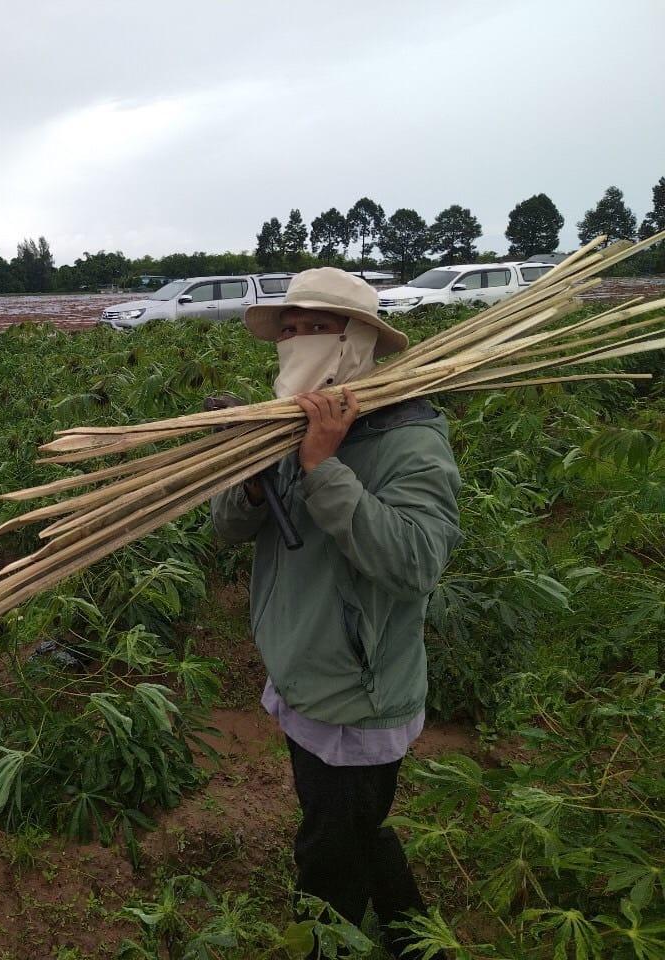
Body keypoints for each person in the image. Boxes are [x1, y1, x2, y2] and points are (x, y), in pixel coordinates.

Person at [210, 268, 461, 958]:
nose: (292, 343)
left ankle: (329, 945)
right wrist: (254, 484)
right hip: (301, 669)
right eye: (285, 331)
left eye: (309, 329)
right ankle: (411, 932)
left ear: (355, 340)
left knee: (328, 855)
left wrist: (323, 468)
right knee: (351, 822)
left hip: (355, 690)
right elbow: (228, 528)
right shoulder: (286, 422)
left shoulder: (408, 439)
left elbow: (415, 561)